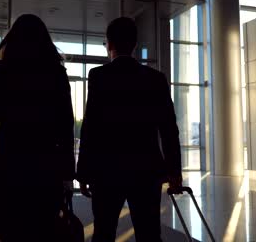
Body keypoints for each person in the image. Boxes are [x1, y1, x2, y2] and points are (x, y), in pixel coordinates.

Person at [0, 14, 75, 242]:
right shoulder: (57, 74)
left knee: (7, 236)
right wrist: (68, 176)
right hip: (46, 172)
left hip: (6, 170)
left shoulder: (2, 71)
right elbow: (66, 128)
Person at [76, 17, 183, 242]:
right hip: (146, 170)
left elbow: (91, 127)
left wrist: (84, 170)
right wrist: (174, 171)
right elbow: (169, 129)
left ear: (109, 44)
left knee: (104, 232)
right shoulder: (156, 79)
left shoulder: (98, 76)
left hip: (106, 171)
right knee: (149, 233)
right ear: (134, 45)